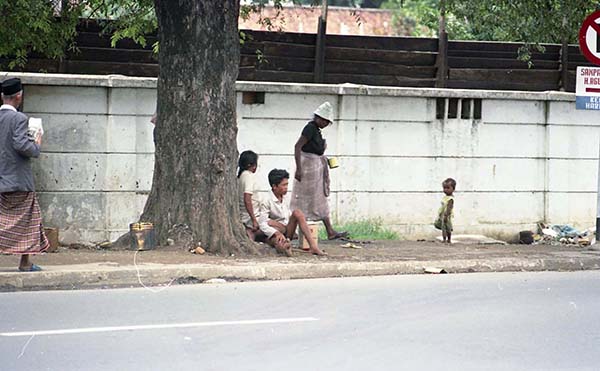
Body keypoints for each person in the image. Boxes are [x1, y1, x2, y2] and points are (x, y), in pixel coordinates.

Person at [0, 78, 49, 271]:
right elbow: (21, 145)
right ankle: (25, 263)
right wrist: (36, 144)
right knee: (29, 221)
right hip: (17, 181)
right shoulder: (19, 119)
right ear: (19, 96)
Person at [291, 102, 347, 240]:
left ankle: (329, 230)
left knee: (319, 199)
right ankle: (292, 231)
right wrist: (299, 169)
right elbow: (297, 147)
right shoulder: (309, 129)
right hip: (307, 169)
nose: (326, 124)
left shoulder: (316, 130)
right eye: (325, 121)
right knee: (302, 201)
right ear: (319, 118)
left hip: (315, 167)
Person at [259, 169, 326, 256]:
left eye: (287, 184)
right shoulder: (266, 200)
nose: (286, 187)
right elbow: (262, 223)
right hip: (275, 233)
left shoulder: (286, 197)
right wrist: (276, 232)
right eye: (283, 185)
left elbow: (289, 217)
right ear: (274, 186)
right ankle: (284, 247)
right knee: (276, 239)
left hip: (286, 230)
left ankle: (313, 246)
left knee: (297, 213)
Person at [237, 150, 264, 241]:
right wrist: (254, 220)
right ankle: (251, 232)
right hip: (250, 217)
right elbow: (247, 199)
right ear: (250, 165)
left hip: (249, 216)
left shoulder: (241, 176)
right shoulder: (248, 176)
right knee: (281, 228)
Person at [434, 178, 456, 244]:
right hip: (443, 215)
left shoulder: (450, 199)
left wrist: (446, 215)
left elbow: (449, 207)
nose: (445, 190)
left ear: (453, 189)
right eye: (444, 188)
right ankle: (444, 239)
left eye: (448, 188)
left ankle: (449, 239)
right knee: (443, 228)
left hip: (447, 215)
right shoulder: (445, 197)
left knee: (448, 228)